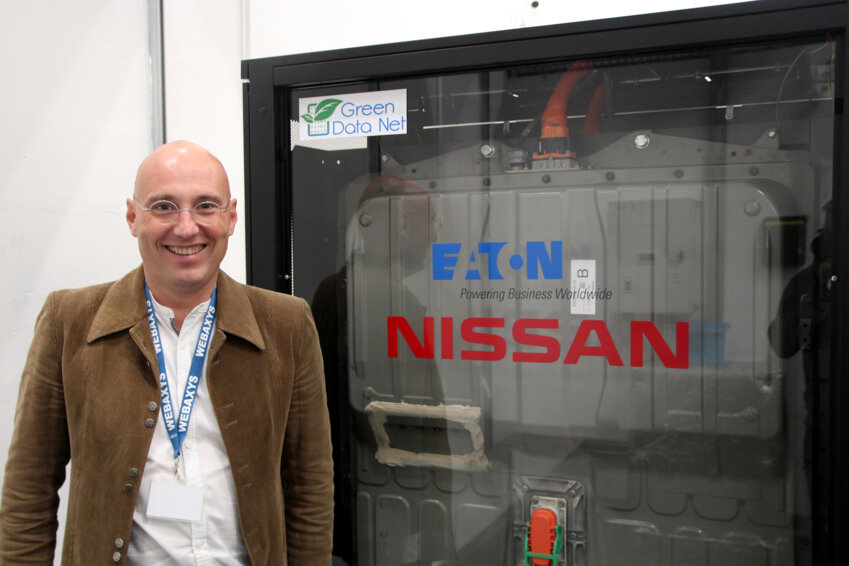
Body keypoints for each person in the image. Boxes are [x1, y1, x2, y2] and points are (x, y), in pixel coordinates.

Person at [0, 141, 333, 565]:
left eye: (206, 206)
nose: (187, 226)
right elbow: (29, 489)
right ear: (132, 217)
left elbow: (310, 486)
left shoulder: (286, 324)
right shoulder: (70, 322)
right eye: (163, 207)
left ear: (231, 217)